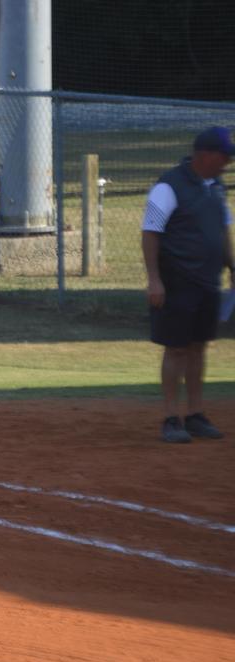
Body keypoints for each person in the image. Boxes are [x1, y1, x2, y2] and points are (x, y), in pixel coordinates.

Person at [141, 126, 234, 443]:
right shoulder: (168, 186)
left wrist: (231, 265)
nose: (227, 163)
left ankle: (195, 414)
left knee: (198, 348)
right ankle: (170, 417)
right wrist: (154, 279)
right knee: (177, 348)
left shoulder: (217, 187)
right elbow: (150, 232)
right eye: (224, 156)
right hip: (177, 282)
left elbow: (223, 230)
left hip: (208, 282)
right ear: (205, 155)